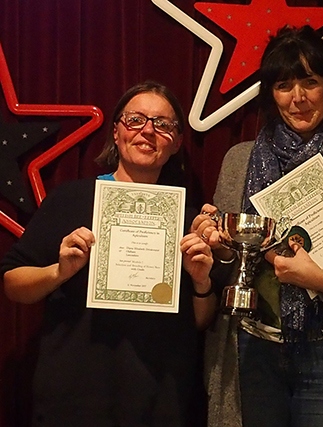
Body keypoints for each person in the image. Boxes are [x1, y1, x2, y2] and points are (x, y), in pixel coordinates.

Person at [191, 25, 323, 427]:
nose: (298, 98)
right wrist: (215, 241)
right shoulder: (239, 161)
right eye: (284, 85)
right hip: (250, 349)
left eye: (310, 82)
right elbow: (226, 261)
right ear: (270, 94)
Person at [1, 81, 217, 427]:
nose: (148, 130)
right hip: (72, 399)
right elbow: (12, 283)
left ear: (176, 143)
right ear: (116, 132)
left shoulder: (191, 222)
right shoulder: (70, 199)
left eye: (163, 124)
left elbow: (201, 321)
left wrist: (202, 280)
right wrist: (60, 271)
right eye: (135, 120)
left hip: (160, 401)